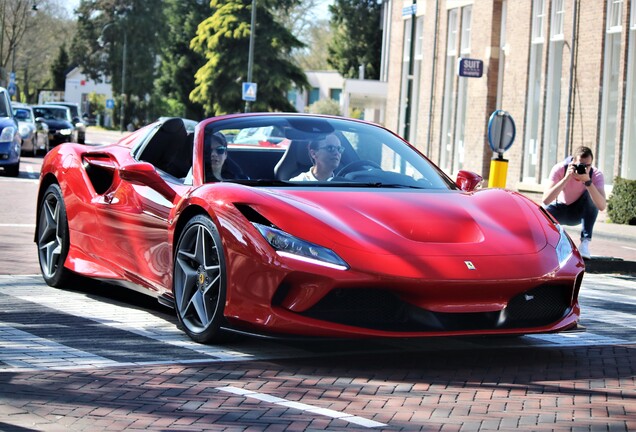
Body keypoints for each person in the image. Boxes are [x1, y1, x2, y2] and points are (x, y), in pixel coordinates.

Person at [542, 145, 606, 259]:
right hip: (559, 210)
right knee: (541, 211)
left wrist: (588, 182)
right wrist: (566, 178)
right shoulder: (560, 169)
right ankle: (550, 244)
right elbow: (546, 200)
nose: (584, 169)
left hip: (578, 213)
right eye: (580, 165)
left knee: (591, 195)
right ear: (573, 162)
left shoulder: (596, 174)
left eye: (588, 166)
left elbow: (601, 206)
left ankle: (585, 243)